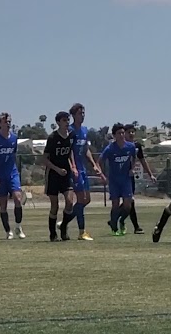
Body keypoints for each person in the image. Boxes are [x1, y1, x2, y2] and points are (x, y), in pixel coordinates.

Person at [67, 103, 106, 241]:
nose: (82, 116)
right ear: (73, 115)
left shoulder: (84, 130)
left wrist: (94, 165)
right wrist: (72, 167)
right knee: (81, 199)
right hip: (75, 169)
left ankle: (65, 222)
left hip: (82, 168)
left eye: (83, 113)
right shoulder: (70, 130)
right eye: (79, 113)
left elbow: (86, 150)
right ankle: (81, 232)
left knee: (86, 200)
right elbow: (69, 150)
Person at [0, 112, 27, 240]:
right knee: (3, 205)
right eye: (5, 122)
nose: (8, 124)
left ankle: (18, 227)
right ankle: (8, 231)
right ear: (0, 125)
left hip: (12, 173)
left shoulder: (14, 138)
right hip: (0, 175)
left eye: (9, 121)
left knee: (17, 198)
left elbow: (13, 155)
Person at [43, 111, 79, 241]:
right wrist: (57, 169)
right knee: (55, 205)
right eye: (64, 120)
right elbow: (45, 159)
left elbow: (70, 153)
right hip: (53, 173)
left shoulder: (72, 135)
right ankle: (53, 233)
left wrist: (73, 167)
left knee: (70, 202)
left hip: (66, 173)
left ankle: (63, 227)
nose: (67, 122)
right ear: (58, 122)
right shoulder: (53, 138)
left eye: (68, 120)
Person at [99, 124, 138, 236]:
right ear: (114, 135)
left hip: (126, 179)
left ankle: (121, 220)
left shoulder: (130, 146)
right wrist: (102, 174)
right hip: (114, 181)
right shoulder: (110, 149)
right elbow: (99, 161)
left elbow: (134, 157)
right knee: (115, 205)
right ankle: (114, 226)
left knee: (128, 205)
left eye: (122, 133)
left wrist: (132, 168)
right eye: (119, 133)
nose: (121, 135)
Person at [124, 124, 157, 234]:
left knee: (129, 201)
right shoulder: (120, 145)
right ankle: (131, 224)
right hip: (120, 177)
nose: (131, 134)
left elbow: (143, 161)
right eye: (129, 132)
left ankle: (121, 221)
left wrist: (150, 174)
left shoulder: (137, 146)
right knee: (128, 201)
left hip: (130, 177)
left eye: (133, 132)